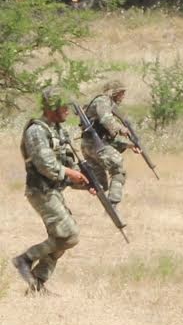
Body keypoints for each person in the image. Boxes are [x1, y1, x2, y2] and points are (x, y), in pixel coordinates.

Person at [10, 86, 93, 294]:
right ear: (51, 108)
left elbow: (66, 164)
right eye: (64, 107)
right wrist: (71, 175)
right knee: (69, 236)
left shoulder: (57, 130)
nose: (67, 111)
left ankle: (37, 284)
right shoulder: (36, 131)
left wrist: (84, 182)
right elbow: (45, 165)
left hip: (53, 191)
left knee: (61, 241)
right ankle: (25, 259)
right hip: (41, 191)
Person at [81, 80, 138, 208]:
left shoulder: (105, 104)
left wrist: (128, 145)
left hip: (92, 145)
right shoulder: (103, 101)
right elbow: (106, 120)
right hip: (96, 145)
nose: (123, 96)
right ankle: (113, 205)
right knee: (118, 170)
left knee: (100, 184)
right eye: (121, 93)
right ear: (114, 92)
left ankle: (70, 177)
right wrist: (120, 128)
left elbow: (107, 138)